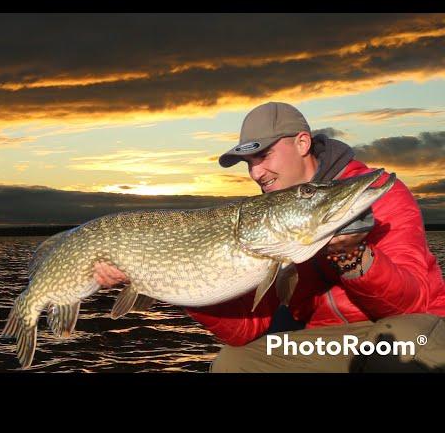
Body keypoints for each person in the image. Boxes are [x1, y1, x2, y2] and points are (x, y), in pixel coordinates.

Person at [93, 102, 445, 372]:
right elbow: (245, 329)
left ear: (303, 142)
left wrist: (355, 259)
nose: (256, 172)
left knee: (399, 345)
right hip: (326, 345)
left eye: (264, 155)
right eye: (249, 162)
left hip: (413, 331)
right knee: (234, 363)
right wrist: (167, 279)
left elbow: (413, 306)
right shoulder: (270, 222)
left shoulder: (383, 193)